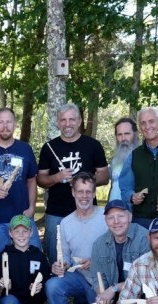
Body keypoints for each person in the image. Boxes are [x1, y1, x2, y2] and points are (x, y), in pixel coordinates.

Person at [37, 103, 109, 263]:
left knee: (90, 259)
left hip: (88, 212)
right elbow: (40, 179)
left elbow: (104, 176)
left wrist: (82, 182)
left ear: (79, 121)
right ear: (58, 122)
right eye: (63, 120)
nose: (67, 123)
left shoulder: (93, 145)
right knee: (58, 260)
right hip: (56, 213)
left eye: (72, 119)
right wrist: (56, 177)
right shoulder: (49, 148)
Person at [44, 172, 108, 304]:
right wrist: (61, 264)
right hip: (79, 276)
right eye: (80, 191)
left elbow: (115, 252)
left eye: (88, 192)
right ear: (73, 192)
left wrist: (96, 261)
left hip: (101, 280)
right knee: (53, 285)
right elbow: (64, 254)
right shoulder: (66, 223)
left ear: (94, 193)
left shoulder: (105, 218)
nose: (84, 196)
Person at [0, 108, 41, 263]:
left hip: (23, 217)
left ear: (15, 124)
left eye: (9, 122)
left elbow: (31, 180)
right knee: (0, 264)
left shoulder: (25, 149)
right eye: (1, 122)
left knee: (33, 261)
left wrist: (32, 208)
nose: (5, 126)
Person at [108, 117, 136, 202]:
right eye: (119, 134)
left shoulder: (141, 158)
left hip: (131, 208)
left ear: (135, 134)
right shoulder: (115, 160)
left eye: (127, 134)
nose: (123, 138)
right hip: (113, 207)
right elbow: (113, 186)